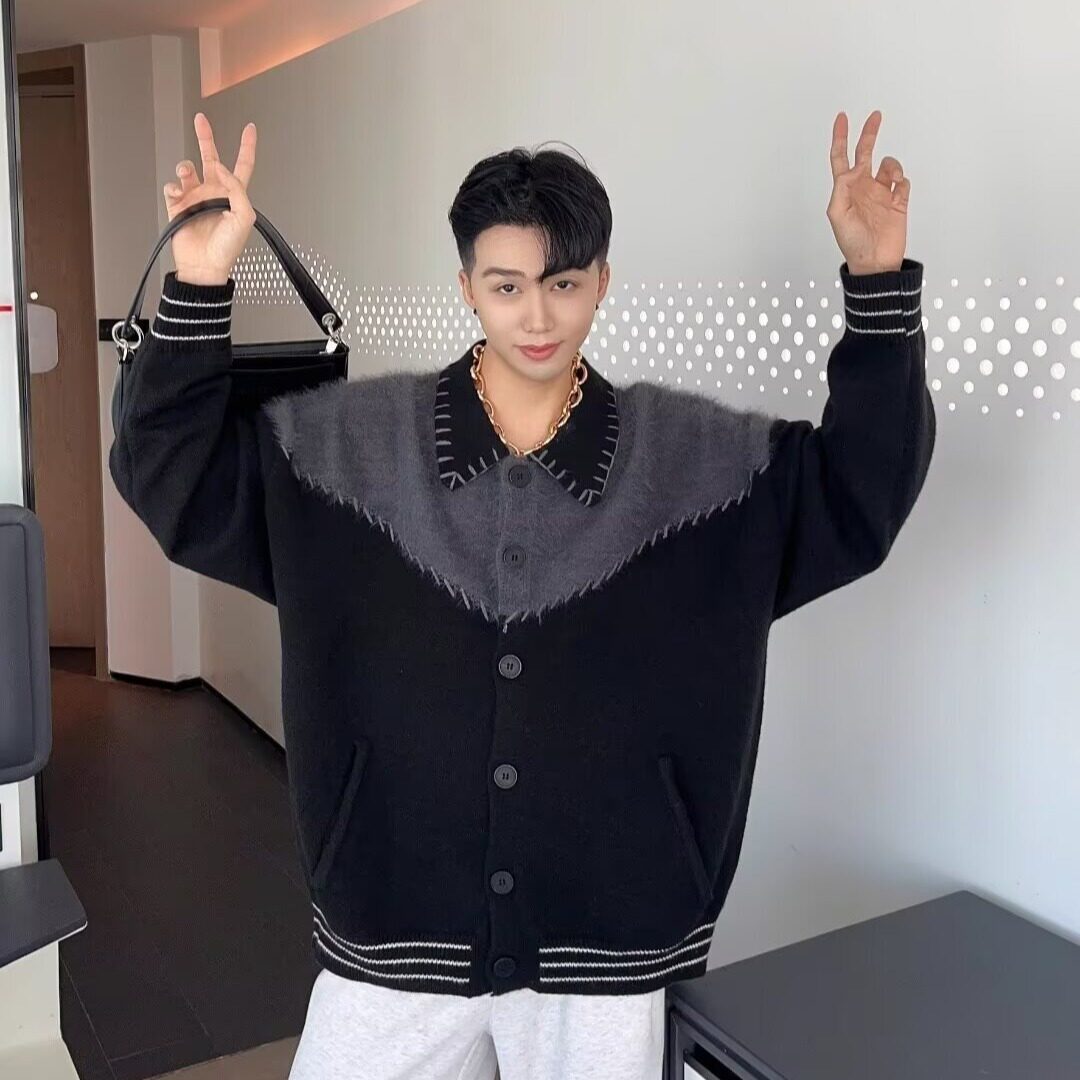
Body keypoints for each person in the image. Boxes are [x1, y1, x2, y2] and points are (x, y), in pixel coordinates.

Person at [109, 109, 934, 1080]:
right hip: (391, 919)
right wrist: (200, 283)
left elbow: (858, 494)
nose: (536, 318)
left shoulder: (702, 466)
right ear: (466, 286)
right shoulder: (346, 450)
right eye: (505, 286)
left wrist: (878, 285)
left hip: (612, 936)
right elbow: (174, 479)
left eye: (563, 284)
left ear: (602, 282)